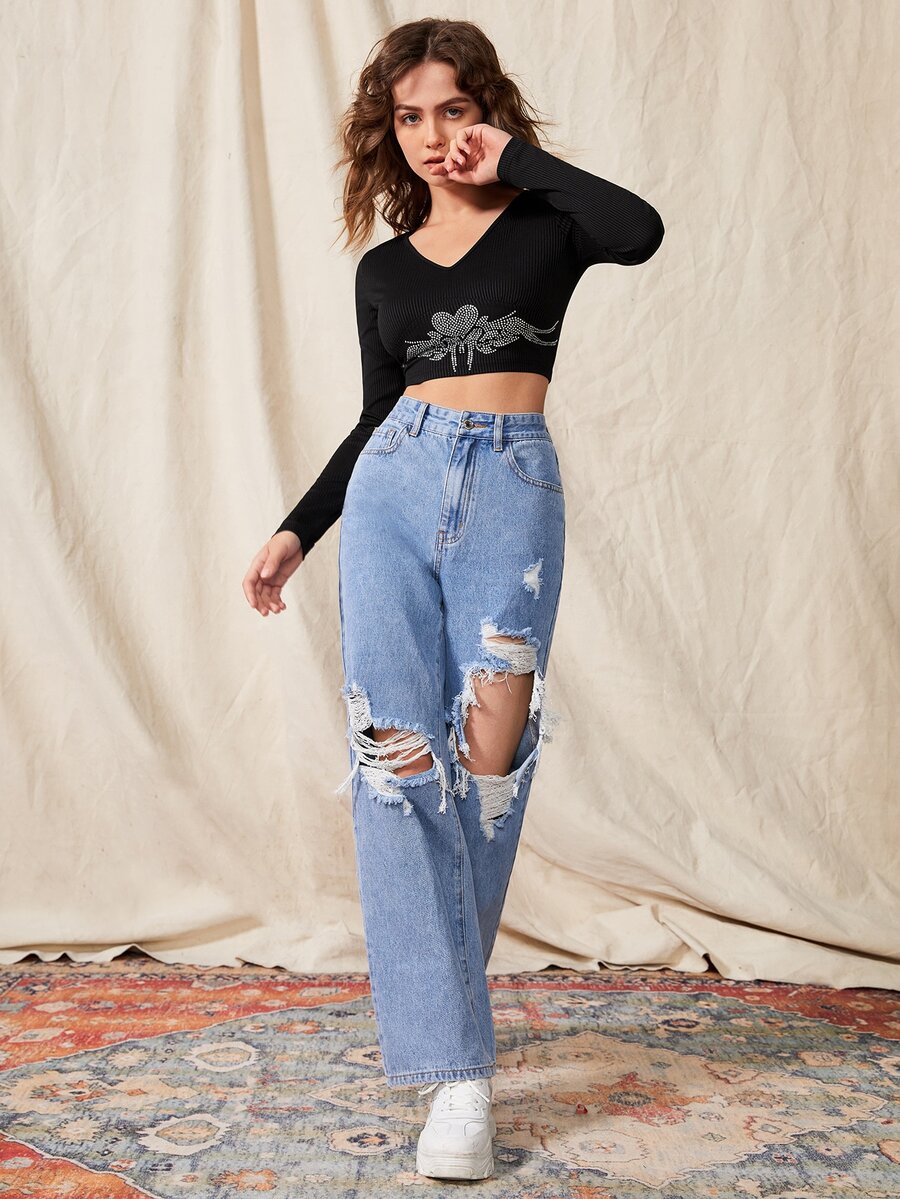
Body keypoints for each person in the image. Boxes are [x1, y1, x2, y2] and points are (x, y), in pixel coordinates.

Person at [242, 17, 663, 1181]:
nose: (433, 136)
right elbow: (375, 417)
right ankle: (459, 1078)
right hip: (393, 487)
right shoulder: (383, 270)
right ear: (388, 129)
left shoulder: (547, 223)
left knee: (491, 754)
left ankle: (444, 1021)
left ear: (487, 111)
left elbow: (639, 229)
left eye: (454, 111)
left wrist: (515, 158)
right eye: (410, 116)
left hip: (512, 488)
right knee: (395, 757)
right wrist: (296, 528)